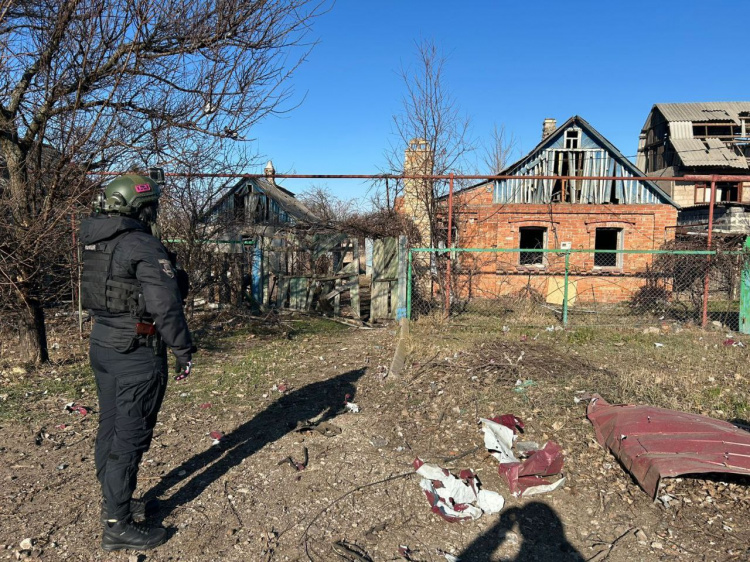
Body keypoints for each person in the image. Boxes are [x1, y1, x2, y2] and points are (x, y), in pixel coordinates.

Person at [79, 173, 194, 551]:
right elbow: (165, 303)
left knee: (110, 428)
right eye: (152, 204)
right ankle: (118, 524)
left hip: (103, 344)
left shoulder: (97, 241)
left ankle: (116, 503)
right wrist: (183, 350)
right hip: (136, 351)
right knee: (129, 437)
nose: (156, 210)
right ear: (139, 206)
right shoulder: (141, 243)